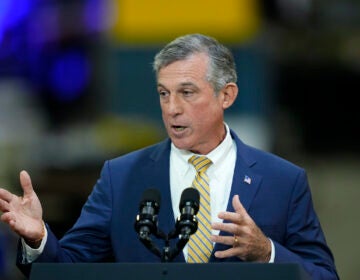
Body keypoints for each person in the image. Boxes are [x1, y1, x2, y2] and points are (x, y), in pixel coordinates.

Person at [0, 33, 338, 279]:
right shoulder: (121, 177)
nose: (172, 109)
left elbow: (324, 276)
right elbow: (68, 270)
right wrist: (39, 238)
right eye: (164, 94)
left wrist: (267, 253)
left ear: (227, 95)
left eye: (187, 93)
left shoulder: (283, 180)